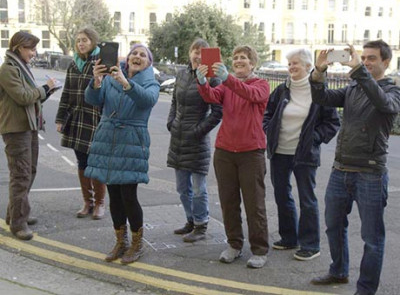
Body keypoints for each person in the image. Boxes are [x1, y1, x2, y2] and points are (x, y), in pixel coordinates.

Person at [309, 40, 400, 295]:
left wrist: (359, 70)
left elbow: (383, 104)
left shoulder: (393, 91)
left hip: (370, 173)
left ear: (386, 62)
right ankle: (338, 271)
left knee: (372, 239)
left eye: (372, 58)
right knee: (334, 226)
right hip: (341, 169)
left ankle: (366, 289)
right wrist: (319, 71)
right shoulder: (353, 87)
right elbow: (321, 97)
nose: (366, 62)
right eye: (364, 57)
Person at [84, 44, 159, 264]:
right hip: (108, 138)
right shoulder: (111, 76)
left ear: (148, 62)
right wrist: (96, 82)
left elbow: (147, 100)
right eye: (134, 53)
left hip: (131, 141)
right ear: (127, 58)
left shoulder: (151, 82)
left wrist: (126, 83)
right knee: (114, 195)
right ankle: (121, 241)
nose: (137, 56)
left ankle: (137, 244)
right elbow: (93, 100)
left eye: (142, 55)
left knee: (128, 194)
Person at [196, 45, 270, 269]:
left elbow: (249, 94)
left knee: (254, 203)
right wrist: (202, 82)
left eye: (244, 58)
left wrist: (227, 78)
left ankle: (259, 249)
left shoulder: (262, 85)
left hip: (251, 152)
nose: (238, 61)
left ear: (252, 64)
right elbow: (211, 96)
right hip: (225, 152)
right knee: (228, 202)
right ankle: (234, 245)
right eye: (236, 57)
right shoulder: (227, 85)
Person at [263, 48, 340, 261]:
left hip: (305, 153)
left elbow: (333, 123)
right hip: (279, 151)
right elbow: (267, 114)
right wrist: (268, 129)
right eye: (289, 64)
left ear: (308, 66)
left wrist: (313, 138)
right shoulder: (281, 90)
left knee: (307, 199)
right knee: (281, 194)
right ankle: (289, 238)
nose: (291, 67)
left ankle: (310, 244)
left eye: (296, 63)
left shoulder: (319, 91)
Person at [0, 31, 56, 240]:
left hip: (28, 126)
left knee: (29, 172)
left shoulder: (21, 68)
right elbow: (23, 97)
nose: (34, 53)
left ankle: (15, 213)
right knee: (21, 175)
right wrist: (44, 88)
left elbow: (32, 99)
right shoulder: (8, 69)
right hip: (16, 129)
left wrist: (47, 92)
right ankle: (18, 223)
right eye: (31, 48)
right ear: (18, 48)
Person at [167, 39, 222, 242]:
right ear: (189, 53)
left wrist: (198, 131)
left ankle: (201, 224)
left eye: (202, 52)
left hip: (197, 140)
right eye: (194, 51)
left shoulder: (212, 78)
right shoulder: (181, 74)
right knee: (182, 187)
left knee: (199, 188)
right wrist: (171, 122)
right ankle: (190, 220)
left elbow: (217, 112)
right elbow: (174, 101)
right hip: (178, 138)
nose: (197, 55)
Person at [55, 28, 106, 220]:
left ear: (93, 42)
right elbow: (66, 93)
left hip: (96, 119)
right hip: (76, 120)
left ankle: (100, 203)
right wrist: (60, 118)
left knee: (97, 162)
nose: (80, 44)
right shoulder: (73, 65)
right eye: (78, 41)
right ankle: (88, 202)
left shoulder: (101, 63)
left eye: (84, 40)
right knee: (82, 162)